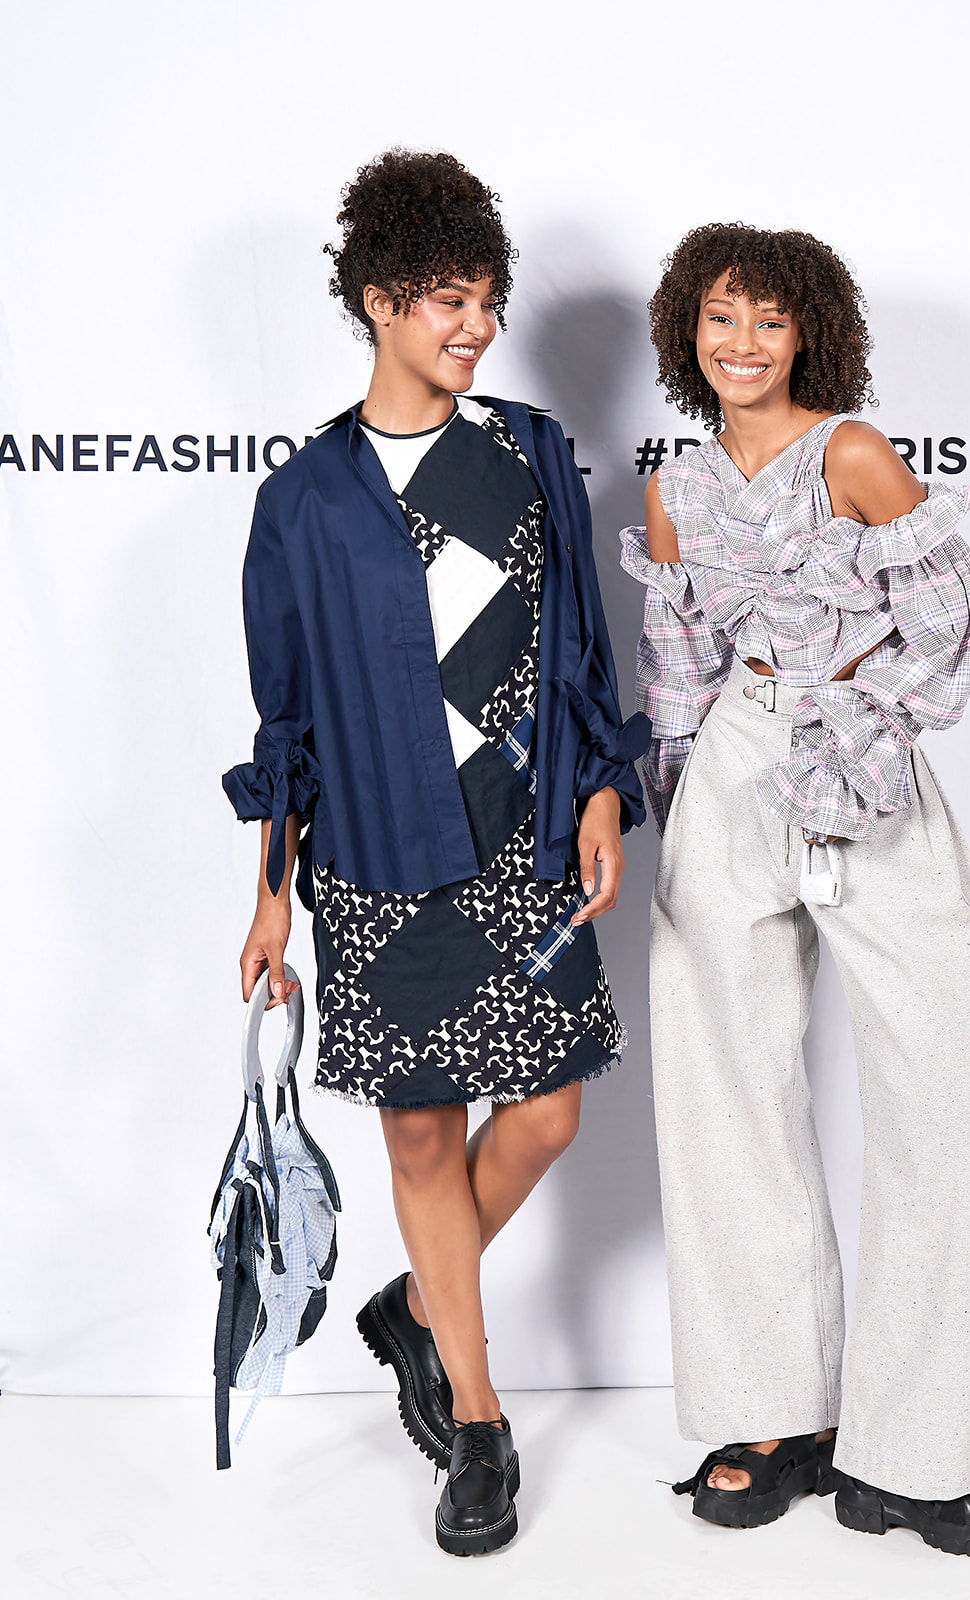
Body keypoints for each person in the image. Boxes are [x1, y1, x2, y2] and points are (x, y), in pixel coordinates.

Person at [223, 149, 648, 1557]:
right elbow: (286, 719)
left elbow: (582, 647)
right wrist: (270, 900)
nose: (476, 326)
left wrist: (601, 793)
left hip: (523, 839)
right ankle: (476, 1417)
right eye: (448, 301)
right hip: (379, 858)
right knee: (421, 1130)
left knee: (547, 1114)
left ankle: (414, 1306)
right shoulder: (304, 499)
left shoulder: (526, 452)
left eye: (486, 300)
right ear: (380, 300)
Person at [619, 224, 970, 1556]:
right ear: (687, 330)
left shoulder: (852, 454)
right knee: (722, 1092)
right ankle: (770, 1415)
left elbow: (955, 630)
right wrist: (683, 812)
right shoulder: (677, 487)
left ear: (810, 334)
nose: (741, 343)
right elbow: (678, 665)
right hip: (733, 770)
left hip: (863, 761)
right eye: (719, 317)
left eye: (769, 320)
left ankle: (915, 1450)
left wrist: (859, 707)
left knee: (927, 1097)